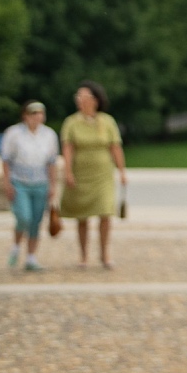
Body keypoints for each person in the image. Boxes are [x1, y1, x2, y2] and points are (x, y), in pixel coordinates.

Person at [59, 81, 125, 270]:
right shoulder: (71, 122)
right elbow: (68, 148)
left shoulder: (107, 121)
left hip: (102, 174)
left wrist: (122, 171)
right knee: (82, 215)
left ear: (95, 100)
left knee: (105, 212)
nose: (80, 100)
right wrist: (68, 171)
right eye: (78, 97)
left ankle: (105, 253)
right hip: (81, 173)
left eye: (84, 96)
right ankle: (83, 255)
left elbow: (115, 147)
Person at [1, 101, 61, 271]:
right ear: (25, 115)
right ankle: (16, 245)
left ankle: (31, 257)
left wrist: (53, 185)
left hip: (40, 183)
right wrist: (7, 183)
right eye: (33, 113)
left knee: (36, 221)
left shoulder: (49, 135)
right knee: (24, 217)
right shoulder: (14, 133)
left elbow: (51, 162)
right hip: (20, 182)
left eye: (40, 113)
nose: (37, 117)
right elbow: (6, 160)